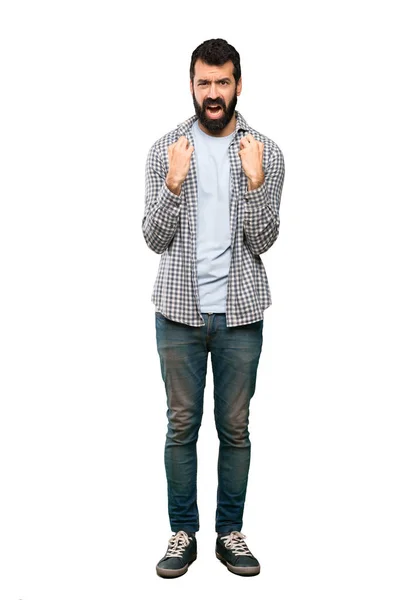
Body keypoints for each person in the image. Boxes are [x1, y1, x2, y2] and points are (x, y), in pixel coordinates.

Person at [142, 38, 285, 578]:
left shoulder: (264, 150)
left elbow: (265, 238)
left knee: (236, 427)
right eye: (204, 82)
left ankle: (230, 534)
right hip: (177, 313)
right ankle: (183, 534)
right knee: (182, 426)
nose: (214, 93)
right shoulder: (165, 150)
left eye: (223, 82)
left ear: (239, 84)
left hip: (240, 315)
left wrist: (254, 181)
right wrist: (174, 184)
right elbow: (154, 238)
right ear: (192, 85)